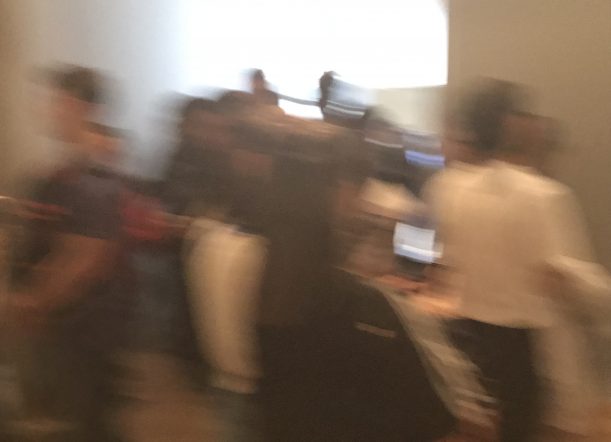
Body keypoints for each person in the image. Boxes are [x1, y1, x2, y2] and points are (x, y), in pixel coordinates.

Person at [9, 66, 126, 441]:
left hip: (79, 330)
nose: (46, 110)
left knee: (81, 424)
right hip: (67, 327)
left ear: (75, 105)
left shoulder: (91, 173)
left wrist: (33, 303)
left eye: (53, 101)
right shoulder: (68, 170)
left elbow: (86, 255)